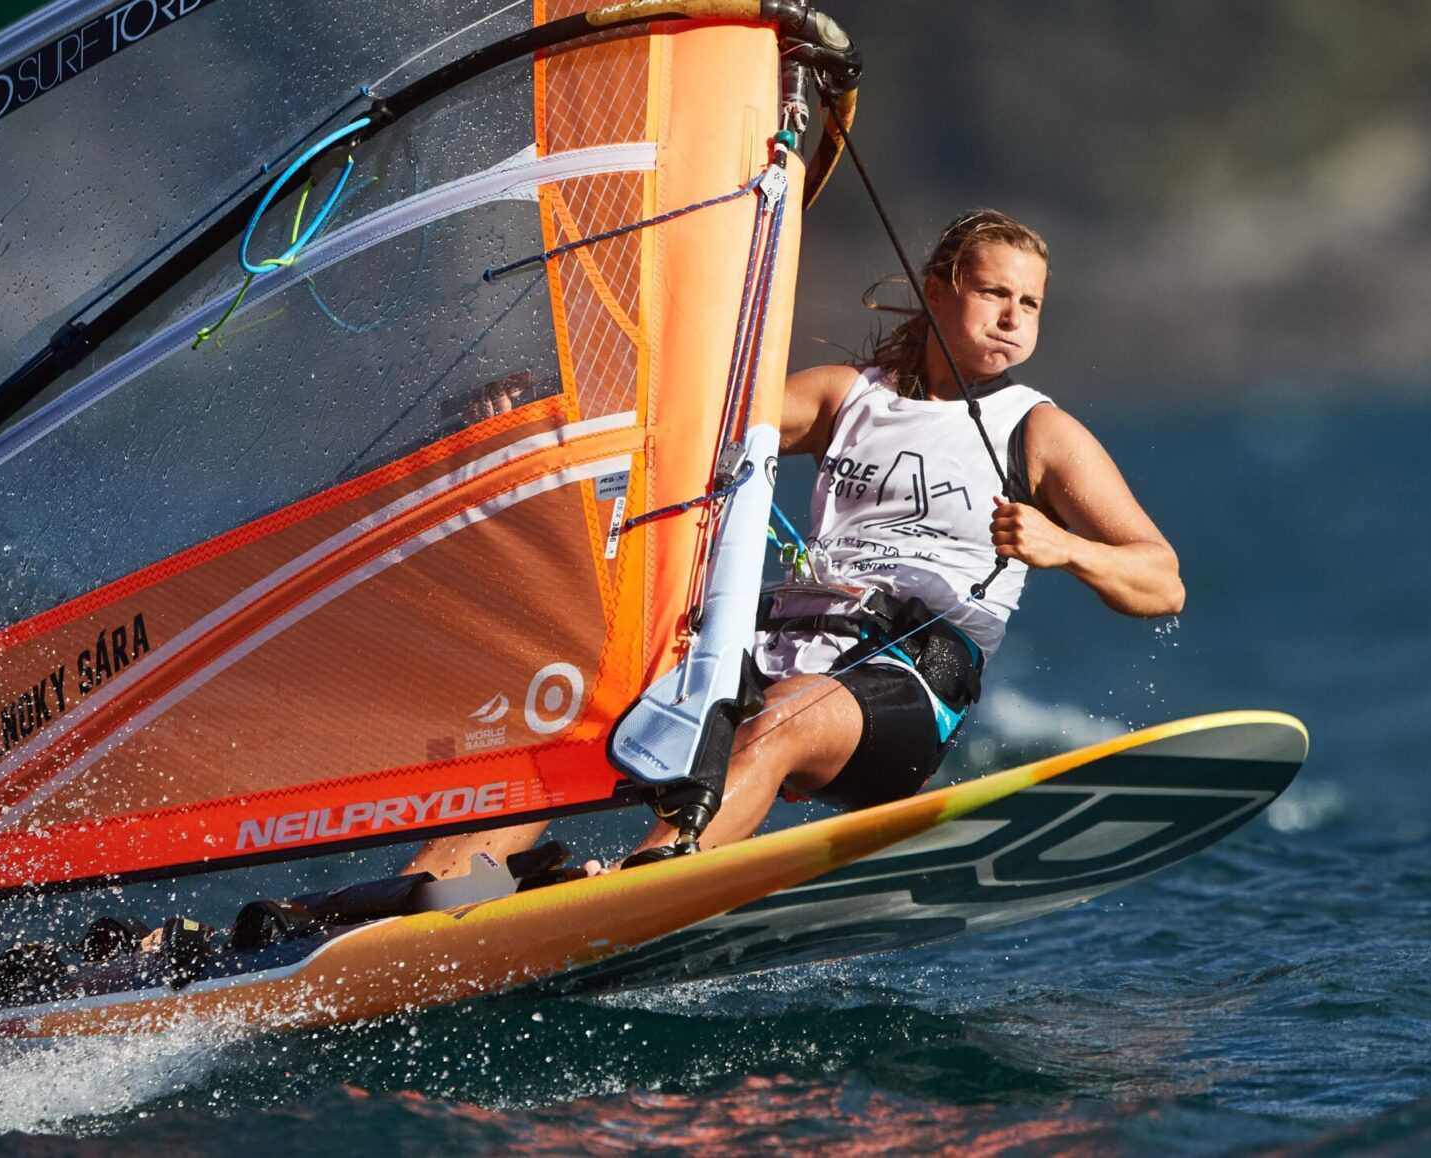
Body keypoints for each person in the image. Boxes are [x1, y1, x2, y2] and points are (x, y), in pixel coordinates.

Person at [404, 209, 1183, 881]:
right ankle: (430, 894)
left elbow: (1162, 582)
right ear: (938, 291)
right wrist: (535, 412)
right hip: (780, 648)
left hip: (906, 687)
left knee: (780, 721)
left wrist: (1065, 547)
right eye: (994, 293)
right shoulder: (851, 396)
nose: (1012, 317)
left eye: (1029, 303)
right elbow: (684, 425)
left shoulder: (1038, 431)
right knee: (583, 701)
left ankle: (654, 876)